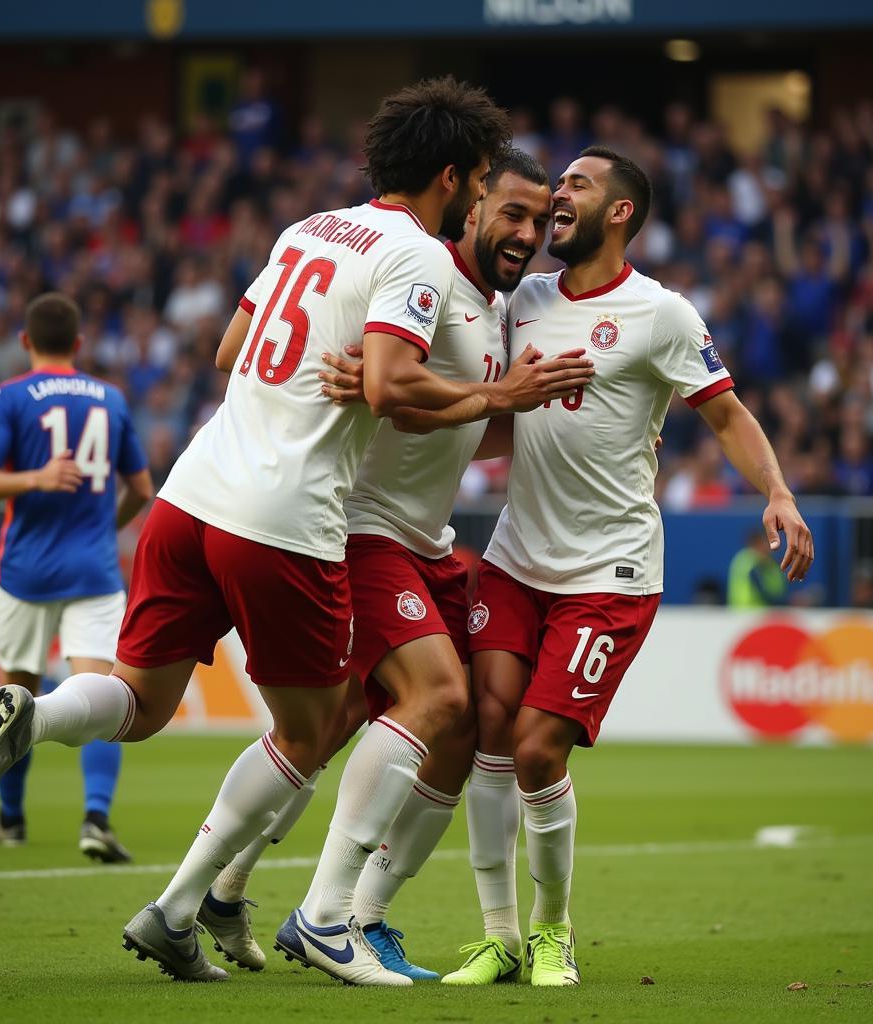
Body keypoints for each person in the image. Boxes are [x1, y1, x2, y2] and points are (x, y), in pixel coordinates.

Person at [0, 79, 577, 987]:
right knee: (315, 731)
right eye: (481, 184)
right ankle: (278, 914)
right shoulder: (420, 258)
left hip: (193, 494)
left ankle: (35, 718)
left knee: (140, 701)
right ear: (451, 177)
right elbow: (392, 387)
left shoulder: (307, 228)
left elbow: (233, 350)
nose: (481, 203)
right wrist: (486, 392)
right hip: (288, 516)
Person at [401, 146, 813, 987]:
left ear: (620, 212)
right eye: (559, 185)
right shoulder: (525, 302)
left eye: (577, 187)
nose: (557, 196)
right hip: (519, 555)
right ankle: (499, 936)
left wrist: (778, 491)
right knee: (488, 727)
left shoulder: (661, 314)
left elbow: (727, 414)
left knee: (539, 751)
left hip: (611, 569)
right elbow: (496, 410)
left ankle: (553, 931)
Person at [197, 149, 587, 980]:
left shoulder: (495, 306)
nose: (524, 232)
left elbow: (466, 423)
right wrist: (379, 382)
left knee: (426, 725)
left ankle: (260, 895)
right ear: (472, 205)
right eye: (508, 212)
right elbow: (394, 391)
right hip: (362, 529)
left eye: (537, 218)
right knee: (432, 700)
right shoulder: (423, 275)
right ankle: (328, 914)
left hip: (428, 542)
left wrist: (579, 427)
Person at [0, 292, 153, 859]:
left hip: (26, 571)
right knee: (108, 694)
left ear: (25, 342)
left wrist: (34, 479)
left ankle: (12, 820)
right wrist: (106, 530)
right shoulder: (111, 398)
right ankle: (96, 821)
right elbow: (142, 490)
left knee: (16, 695)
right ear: (79, 344)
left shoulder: (10, 396)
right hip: (94, 569)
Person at [726, 527, 788, 607]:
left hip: (766, 614)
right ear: (756, 543)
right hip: (746, 613)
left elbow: (780, 590)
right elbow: (766, 595)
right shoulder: (748, 562)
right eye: (766, 543)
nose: (769, 547)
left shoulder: (771, 564)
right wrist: (788, 602)